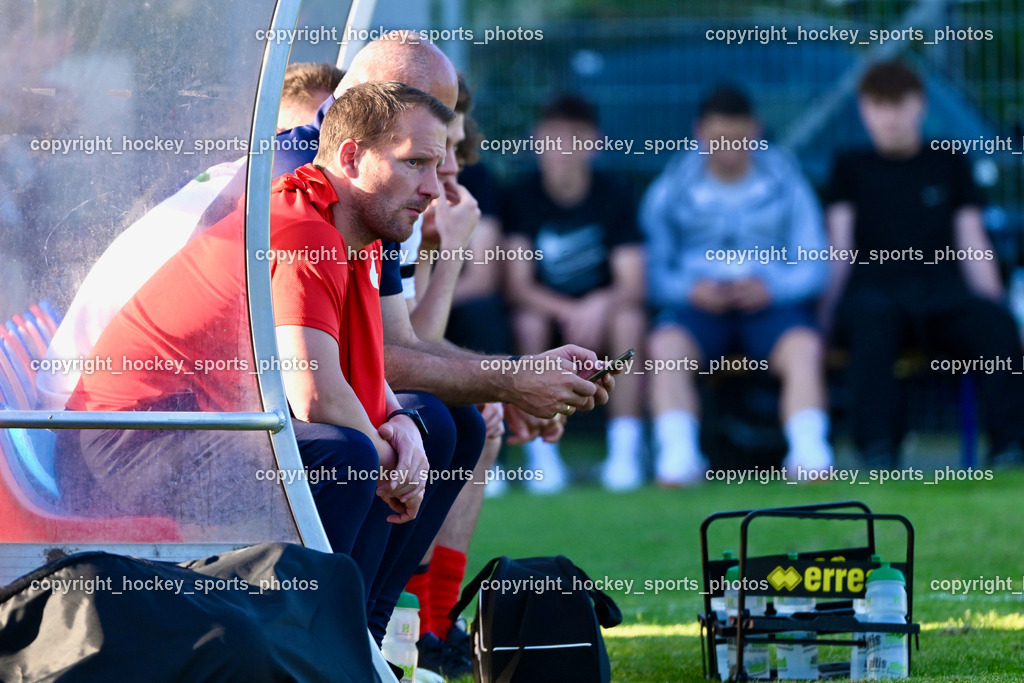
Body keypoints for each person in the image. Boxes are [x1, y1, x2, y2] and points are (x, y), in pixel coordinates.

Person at [58, 80, 463, 640]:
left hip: (196, 425)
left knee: (437, 423)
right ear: (350, 157)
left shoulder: (352, 228)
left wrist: (403, 428)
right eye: (415, 163)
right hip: (121, 444)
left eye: (435, 166)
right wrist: (393, 453)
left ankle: (361, 642)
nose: (431, 189)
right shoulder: (302, 231)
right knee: (345, 457)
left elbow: (356, 372)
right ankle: (303, 649)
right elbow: (315, 395)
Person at [37, 62, 346, 410]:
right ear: (277, 137)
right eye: (306, 142)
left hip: (91, 404)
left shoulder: (232, 190)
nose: (317, 165)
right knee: (342, 445)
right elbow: (309, 382)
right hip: (90, 414)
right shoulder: (252, 210)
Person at [823, 60, 1024, 468]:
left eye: (900, 104)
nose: (890, 116)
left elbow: (972, 242)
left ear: (921, 107)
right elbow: (838, 248)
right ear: (864, 110)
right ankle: (877, 451)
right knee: (870, 322)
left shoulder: (949, 161)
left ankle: (1009, 449)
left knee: (995, 328)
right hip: (874, 292)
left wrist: (996, 306)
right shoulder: (849, 166)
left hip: (940, 291)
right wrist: (824, 315)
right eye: (879, 105)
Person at [642, 85, 833, 484]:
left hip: (771, 305)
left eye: (738, 138)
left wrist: (773, 288)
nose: (728, 148)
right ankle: (678, 458)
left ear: (756, 130)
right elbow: (650, 266)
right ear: (699, 132)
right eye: (718, 138)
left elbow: (815, 262)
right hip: (697, 306)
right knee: (665, 347)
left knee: (804, 347)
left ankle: (809, 454)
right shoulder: (669, 189)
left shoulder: (789, 184)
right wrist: (687, 290)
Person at [503, 95, 647, 492]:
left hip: (605, 315)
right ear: (537, 141)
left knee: (630, 319)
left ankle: (624, 452)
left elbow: (632, 281)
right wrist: (569, 309)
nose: (563, 149)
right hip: (547, 314)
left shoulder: (615, 194)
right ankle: (541, 453)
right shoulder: (521, 196)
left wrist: (598, 304)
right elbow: (518, 285)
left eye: (574, 138)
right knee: (527, 324)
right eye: (553, 138)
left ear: (594, 143)